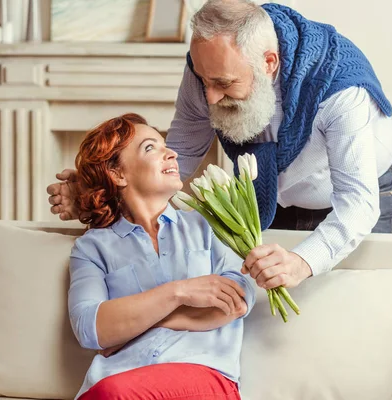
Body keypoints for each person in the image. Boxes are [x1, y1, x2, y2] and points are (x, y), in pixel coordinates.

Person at [48, 0, 392, 295]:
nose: (210, 97)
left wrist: (302, 261)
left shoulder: (340, 88)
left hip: (358, 194)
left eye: (223, 84)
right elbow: (180, 153)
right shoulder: (206, 69)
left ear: (268, 63)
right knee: (270, 309)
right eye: (204, 81)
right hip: (273, 193)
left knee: (350, 299)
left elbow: (357, 203)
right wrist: (99, 188)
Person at [68, 113, 255, 400]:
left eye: (164, 144)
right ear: (118, 174)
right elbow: (90, 328)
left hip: (204, 378)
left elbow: (236, 301)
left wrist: (141, 323)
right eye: (150, 148)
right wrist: (180, 292)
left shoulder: (209, 225)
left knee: (112, 394)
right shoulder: (92, 248)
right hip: (117, 378)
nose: (171, 153)